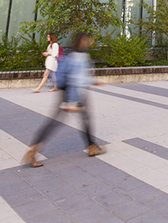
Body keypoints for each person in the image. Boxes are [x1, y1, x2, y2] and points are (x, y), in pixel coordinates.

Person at [23, 32, 106, 167]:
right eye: (88, 40)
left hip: (66, 93)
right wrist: (95, 81)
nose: (90, 42)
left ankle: (91, 146)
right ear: (83, 41)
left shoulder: (71, 55)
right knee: (62, 121)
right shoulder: (82, 57)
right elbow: (79, 79)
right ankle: (33, 149)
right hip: (74, 94)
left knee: (82, 119)